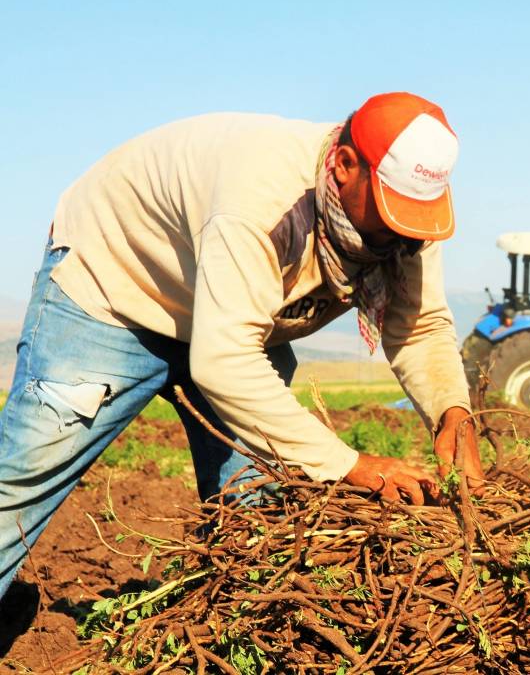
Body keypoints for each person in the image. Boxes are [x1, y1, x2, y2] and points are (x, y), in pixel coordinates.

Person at [0, 92, 485, 602]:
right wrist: (350, 464)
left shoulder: (406, 225)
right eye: (390, 212)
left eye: (411, 217)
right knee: (23, 479)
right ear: (344, 165)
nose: (398, 231)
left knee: (257, 515)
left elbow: (420, 323)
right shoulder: (260, 198)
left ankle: (228, 635)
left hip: (235, 322)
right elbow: (225, 360)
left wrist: (453, 412)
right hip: (116, 286)